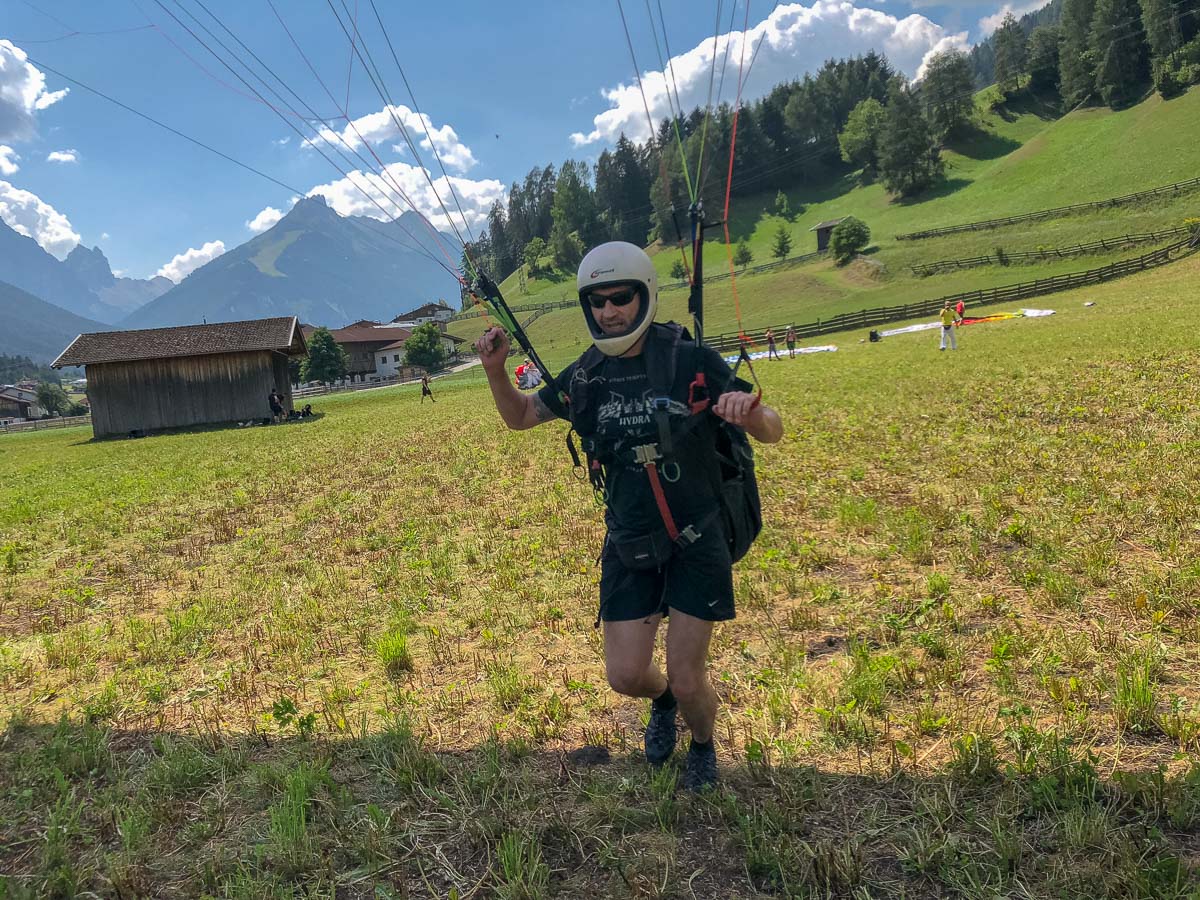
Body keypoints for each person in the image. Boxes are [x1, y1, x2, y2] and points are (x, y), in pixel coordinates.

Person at [474, 241, 783, 791]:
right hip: (631, 539)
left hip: (696, 536)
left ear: (645, 295)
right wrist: (496, 371)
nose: (609, 311)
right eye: (597, 301)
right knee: (625, 675)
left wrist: (752, 416)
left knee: (688, 678)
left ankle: (702, 744)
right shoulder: (586, 375)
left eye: (621, 298)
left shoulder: (688, 360)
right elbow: (521, 415)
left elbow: (773, 428)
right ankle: (661, 702)